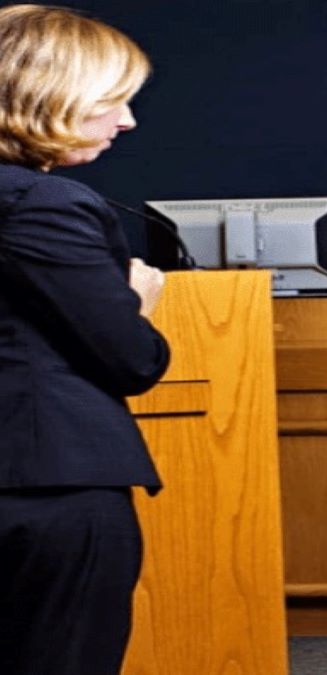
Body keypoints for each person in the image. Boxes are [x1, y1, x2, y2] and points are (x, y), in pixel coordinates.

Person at [0, 5, 170, 674]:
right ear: (48, 95)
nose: (126, 121)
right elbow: (130, 360)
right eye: (113, 99)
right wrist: (137, 302)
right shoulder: (44, 204)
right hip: (49, 490)